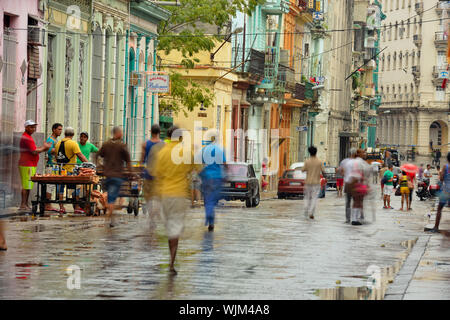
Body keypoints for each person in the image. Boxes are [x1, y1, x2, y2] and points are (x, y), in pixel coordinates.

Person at [153, 126, 200, 274]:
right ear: (180, 138)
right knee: (175, 228)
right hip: (179, 194)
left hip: (164, 195)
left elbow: (156, 174)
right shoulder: (186, 152)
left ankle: (171, 259)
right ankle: (172, 261)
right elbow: (199, 169)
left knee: (170, 227)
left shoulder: (161, 153)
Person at [97, 127, 132, 227]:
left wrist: (99, 165)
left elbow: (98, 155)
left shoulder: (106, 144)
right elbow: (128, 161)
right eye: (121, 132)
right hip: (117, 176)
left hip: (107, 175)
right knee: (112, 199)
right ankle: (108, 219)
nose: (122, 134)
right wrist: (131, 173)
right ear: (118, 134)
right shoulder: (122, 146)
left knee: (111, 198)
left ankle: (110, 218)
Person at [18, 120, 51, 210]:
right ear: (26, 127)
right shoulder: (27, 138)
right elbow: (34, 151)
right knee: (26, 185)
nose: (33, 129)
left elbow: (35, 149)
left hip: (29, 164)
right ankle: (23, 204)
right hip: (27, 164)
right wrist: (45, 148)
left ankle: (25, 204)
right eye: (31, 127)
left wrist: (44, 148)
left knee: (28, 185)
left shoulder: (28, 137)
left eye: (34, 127)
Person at [54, 127, 88, 214]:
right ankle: (76, 207)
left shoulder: (58, 143)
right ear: (73, 135)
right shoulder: (73, 143)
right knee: (75, 188)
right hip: (70, 170)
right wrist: (89, 164)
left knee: (60, 189)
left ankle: (61, 207)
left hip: (60, 170)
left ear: (64, 134)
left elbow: (56, 156)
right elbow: (80, 155)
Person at [199, 134, 226, 231]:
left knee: (208, 200)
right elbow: (224, 163)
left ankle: (210, 218)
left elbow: (200, 163)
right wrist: (226, 175)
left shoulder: (204, 150)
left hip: (207, 178)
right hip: (217, 178)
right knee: (213, 200)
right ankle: (211, 219)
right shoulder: (220, 150)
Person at [141, 124, 164, 216]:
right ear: (160, 132)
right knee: (159, 195)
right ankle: (157, 211)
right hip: (160, 174)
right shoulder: (164, 145)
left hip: (148, 173)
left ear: (151, 132)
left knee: (149, 196)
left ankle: (151, 215)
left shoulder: (145, 144)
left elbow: (142, 160)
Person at [428, 152, 450, 233]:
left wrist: (441, 174)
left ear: (447, 159)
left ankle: (436, 227)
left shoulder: (446, 166)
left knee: (439, 209)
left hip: (446, 191)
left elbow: (441, 179)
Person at [348, 149, 370, 225]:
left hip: (356, 183)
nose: (364, 154)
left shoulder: (357, 161)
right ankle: (354, 219)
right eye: (363, 152)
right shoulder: (359, 162)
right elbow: (359, 173)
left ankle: (355, 218)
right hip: (358, 183)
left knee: (358, 202)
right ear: (359, 154)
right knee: (357, 201)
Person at [302, 146, 324, 220]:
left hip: (308, 182)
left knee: (307, 197)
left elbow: (303, 170)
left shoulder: (307, 161)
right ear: (316, 152)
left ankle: (306, 209)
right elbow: (323, 171)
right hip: (316, 182)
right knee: (314, 198)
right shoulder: (319, 161)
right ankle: (311, 212)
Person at [45, 123, 63, 212]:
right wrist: (59, 150)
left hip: (55, 166)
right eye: (59, 129)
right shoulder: (50, 140)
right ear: (54, 130)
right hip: (50, 166)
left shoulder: (56, 140)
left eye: (61, 129)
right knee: (49, 185)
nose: (60, 131)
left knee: (52, 186)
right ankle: (47, 205)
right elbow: (48, 150)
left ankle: (49, 204)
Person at [339, 148, 357, 223]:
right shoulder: (357, 162)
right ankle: (354, 218)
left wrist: (345, 175)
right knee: (355, 202)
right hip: (355, 184)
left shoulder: (344, 161)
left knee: (348, 202)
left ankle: (347, 218)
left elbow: (341, 172)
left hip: (347, 184)